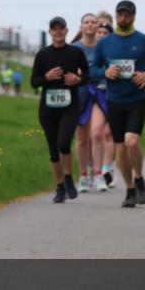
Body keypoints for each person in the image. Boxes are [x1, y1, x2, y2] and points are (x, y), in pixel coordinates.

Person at [91, 0, 145, 207]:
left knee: (131, 141)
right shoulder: (105, 43)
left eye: (127, 14)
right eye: (120, 14)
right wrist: (104, 72)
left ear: (133, 17)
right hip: (114, 100)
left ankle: (139, 179)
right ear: (116, 16)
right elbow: (93, 69)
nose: (123, 18)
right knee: (120, 148)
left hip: (136, 99)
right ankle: (130, 190)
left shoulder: (144, 40)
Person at [31, 16, 89, 202]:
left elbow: (88, 76)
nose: (58, 32)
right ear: (50, 32)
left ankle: (69, 178)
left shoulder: (76, 53)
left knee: (64, 143)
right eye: (54, 29)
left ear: (66, 31)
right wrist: (46, 77)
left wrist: (78, 79)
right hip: (48, 109)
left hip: (70, 107)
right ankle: (59, 188)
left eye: (61, 28)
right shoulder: (42, 54)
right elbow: (34, 82)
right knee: (53, 149)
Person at [72, 13, 108, 193]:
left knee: (97, 133)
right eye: (86, 22)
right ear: (81, 26)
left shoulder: (104, 47)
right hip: (80, 95)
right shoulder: (74, 48)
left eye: (94, 22)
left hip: (99, 93)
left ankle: (99, 174)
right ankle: (84, 177)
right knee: (81, 139)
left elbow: (108, 69)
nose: (90, 25)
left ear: (97, 26)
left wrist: (91, 73)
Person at [95, 21, 117, 188]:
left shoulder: (116, 50)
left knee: (109, 133)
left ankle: (105, 169)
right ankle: (95, 170)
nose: (102, 35)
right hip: (97, 95)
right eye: (99, 32)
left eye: (105, 33)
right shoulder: (93, 50)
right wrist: (104, 72)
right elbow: (90, 71)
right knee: (96, 133)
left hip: (115, 95)